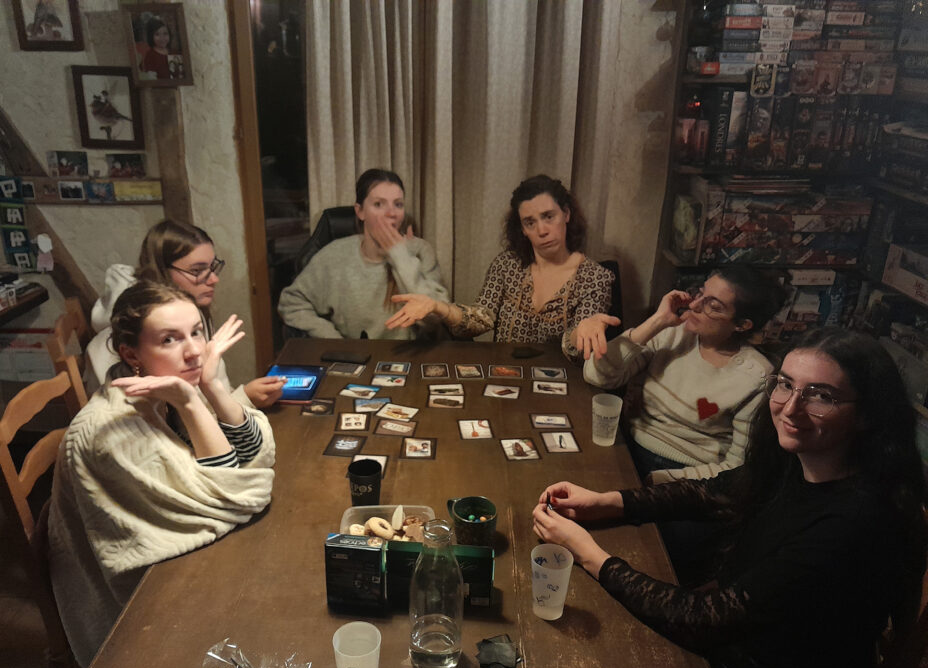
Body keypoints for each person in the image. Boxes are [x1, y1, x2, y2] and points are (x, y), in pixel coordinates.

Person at [532, 327, 926, 668]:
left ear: (867, 414)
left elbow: (704, 620)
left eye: (821, 395)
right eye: (786, 384)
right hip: (727, 650)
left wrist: (588, 553)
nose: (790, 408)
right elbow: (713, 492)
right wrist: (607, 502)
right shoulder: (801, 458)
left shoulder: (853, 523)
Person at [49, 282, 276, 668]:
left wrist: (212, 386)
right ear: (130, 354)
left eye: (197, 332)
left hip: (194, 563)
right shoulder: (108, 430)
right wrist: (191, 403)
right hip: (139, 606)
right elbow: (234, 496)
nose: (194, 351)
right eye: (169, 339)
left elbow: (252, 456)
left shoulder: (169, 388)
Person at [579, 266, 784, 484]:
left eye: (713, 306)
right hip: (630, 447)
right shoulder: (672, 333)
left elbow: (738, 466)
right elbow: (597, 376)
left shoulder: (756, 377)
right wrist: (656, 321)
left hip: (692, 475)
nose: (694, 306)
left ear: (742, 325)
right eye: (700, 293)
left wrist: (667, 480)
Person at [384, 174, 615, 361]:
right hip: (505, 380)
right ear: (522, 229)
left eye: (548, 217)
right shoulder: (507, 264)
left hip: (560, 385)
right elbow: (481, 319)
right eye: (530, 222)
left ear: (566, 214)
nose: (542, 230)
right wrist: (437, 306)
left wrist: (582, 331)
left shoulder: (596, 277)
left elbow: (578, 350)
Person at [86, 219, 285, 407]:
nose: (213, 279)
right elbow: (173, 421)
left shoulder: (190, 314)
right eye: (197, 271)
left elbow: (206, 394)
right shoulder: (116, 343)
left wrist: (242, 396)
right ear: (161, 271)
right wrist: (243, 398)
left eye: (212, 267)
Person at [277, 168, 449, 339]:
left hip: (407, 353)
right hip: (353, 353)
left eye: (398, 204)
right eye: (378, 204)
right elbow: (291, 302)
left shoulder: (420, 250)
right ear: (360, 211)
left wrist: (400, 255)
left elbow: (435, 319)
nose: (391, 213)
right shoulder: (335, 254)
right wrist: (331, 339)